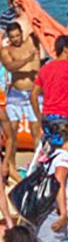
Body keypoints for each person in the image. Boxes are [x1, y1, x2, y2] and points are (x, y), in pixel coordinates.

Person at [0, 21, 39, 180]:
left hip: (33, 94)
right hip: (16, 94)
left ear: (22, 34)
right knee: (12, 132)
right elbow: (11, 66)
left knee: (36, 132)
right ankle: (12, 167)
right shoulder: (5, 51)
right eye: (13, 37)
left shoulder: (31, 41)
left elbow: (39, 25)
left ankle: (37, 166)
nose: (16, 39)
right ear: (8, 38)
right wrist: (28, 59)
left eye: (18, 35)